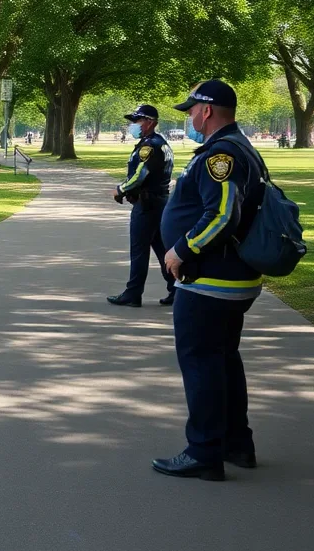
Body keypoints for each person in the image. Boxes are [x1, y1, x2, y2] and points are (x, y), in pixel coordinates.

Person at [153, 80, 264, 481]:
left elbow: (222, 215)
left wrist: (180, 250)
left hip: (211, 280)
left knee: (201, 362)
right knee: (223, 360)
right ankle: (236, 443)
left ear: (207, 110)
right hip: (227, 279)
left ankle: (203, 451)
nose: (188, 117)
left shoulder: (222, 154)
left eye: (191, 110)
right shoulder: (235, 147)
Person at [107, 104, 177, 308]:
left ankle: (133, 293)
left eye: (138, 121)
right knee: (162, 248)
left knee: (139, 250)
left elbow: (140, 174)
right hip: (157, 202)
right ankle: (175, 288)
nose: (134, 125)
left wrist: (120, 189)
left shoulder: (150, 146)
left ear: (150, 122)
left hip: (147, 204)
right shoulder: (160, 143)